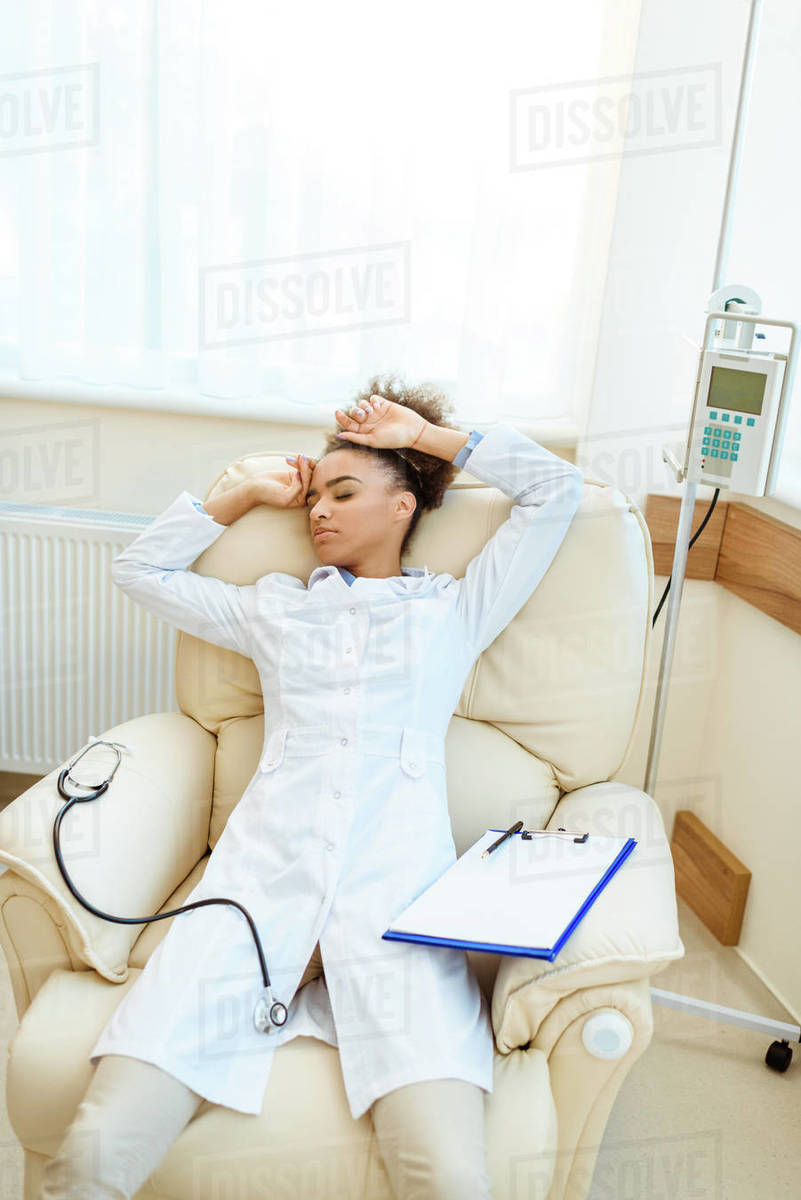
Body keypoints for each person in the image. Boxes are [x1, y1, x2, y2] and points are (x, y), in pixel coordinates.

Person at [38, 373, 584, 1199]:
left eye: (344, 491)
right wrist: (241, 491)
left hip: (398, 903)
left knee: (447, 1175)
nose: (317, 511)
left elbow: (556, 488)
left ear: (404, 506)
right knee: (97, 1149)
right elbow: (139, 571)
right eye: (310, 498)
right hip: (259, 887)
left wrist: (424, 435)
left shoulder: (452, 613)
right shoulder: (275, 610)